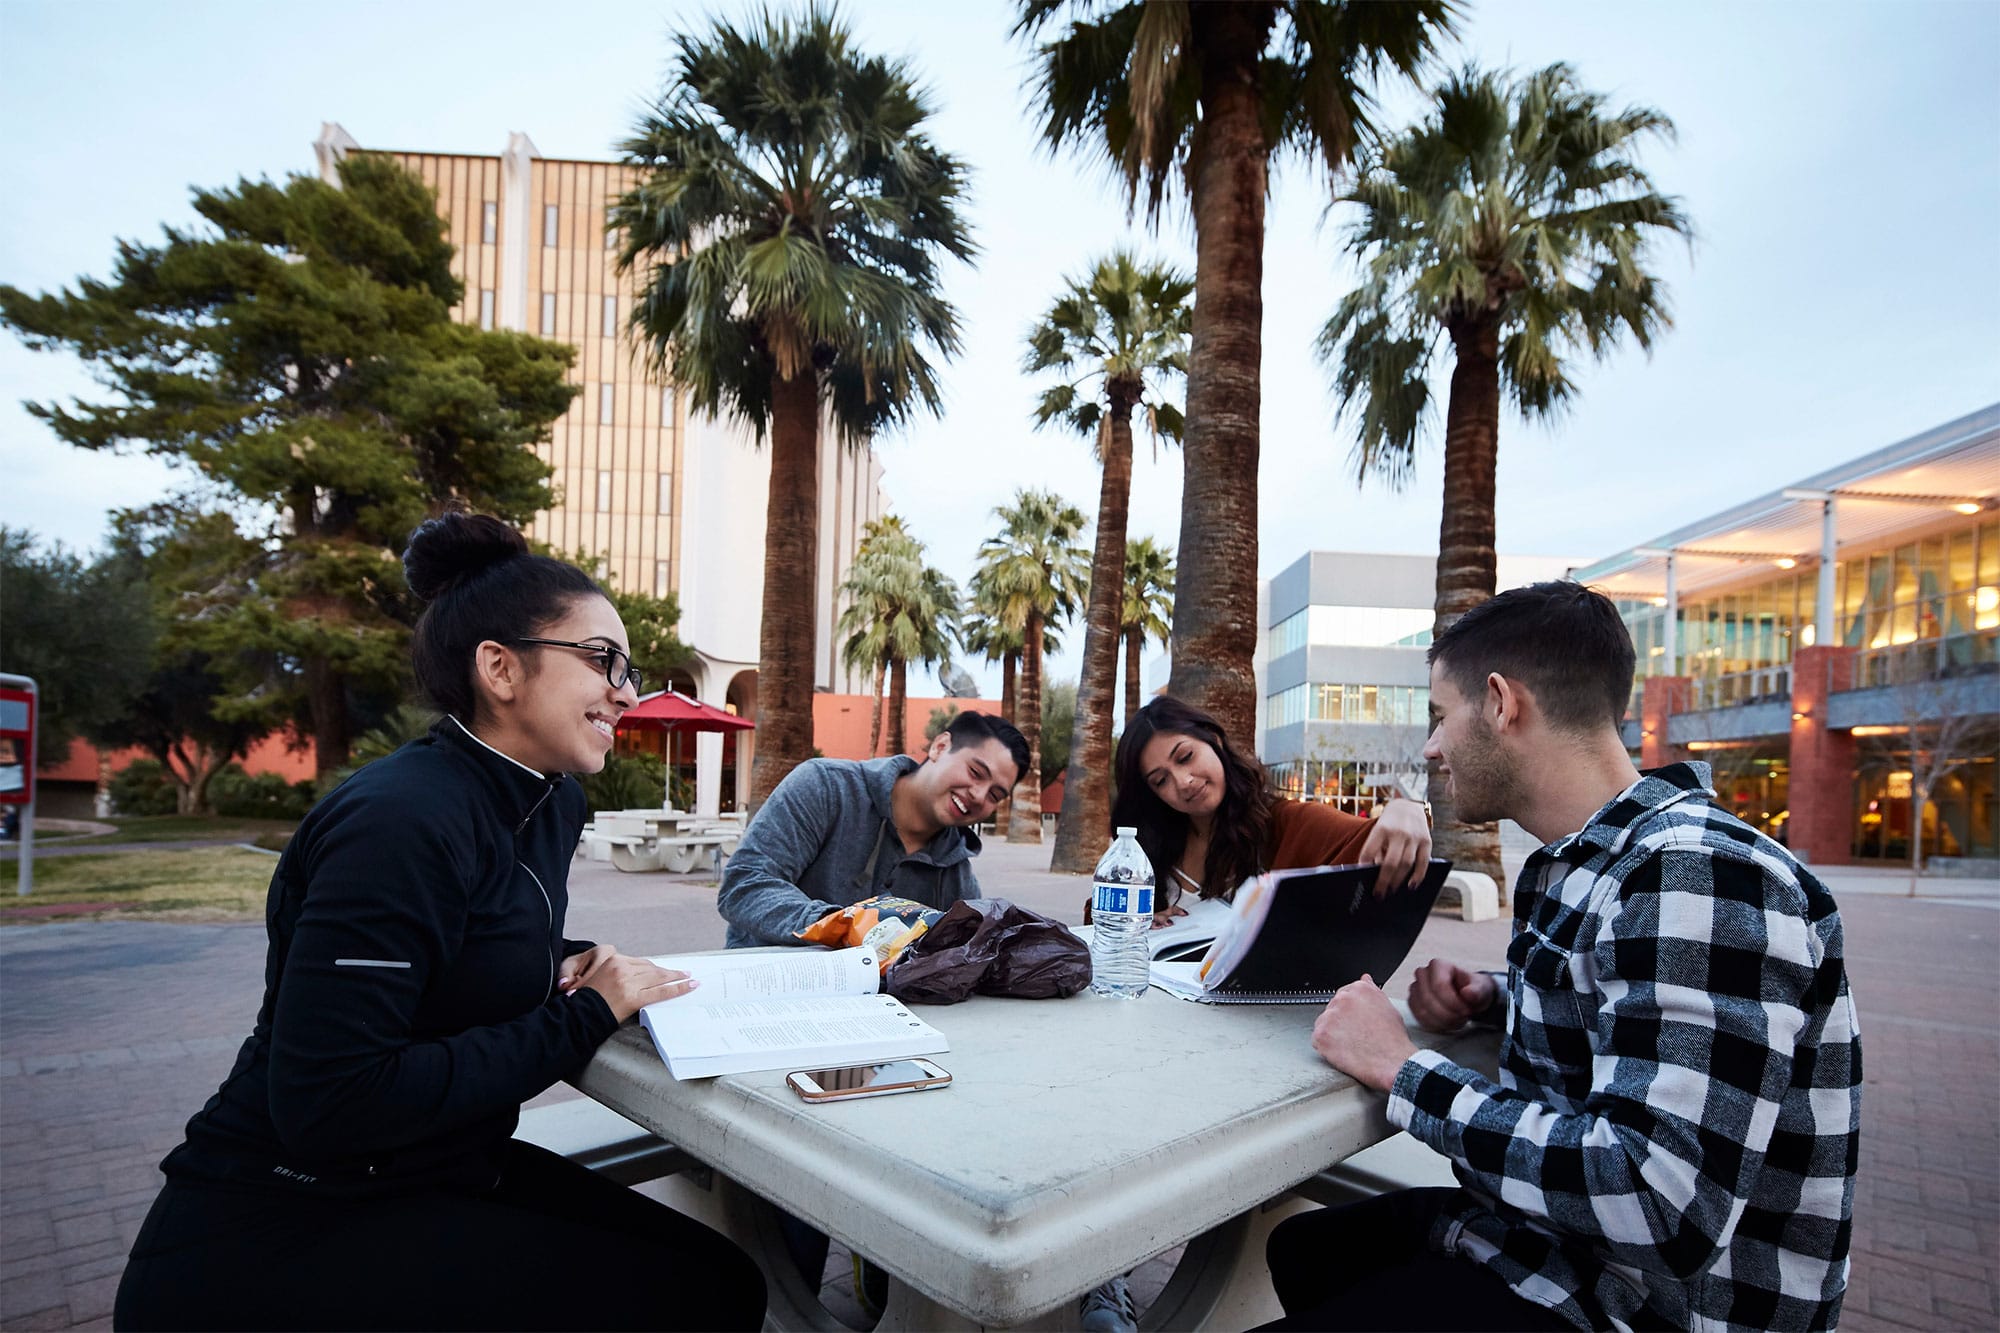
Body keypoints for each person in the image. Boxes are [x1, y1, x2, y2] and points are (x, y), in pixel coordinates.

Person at [114, 512, 766, 1332]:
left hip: (437, 1165)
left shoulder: (552, 800)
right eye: (603, 659)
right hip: (282, 1216)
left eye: (627, 669)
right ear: (500, 667)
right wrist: (586, 1014)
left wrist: (560, 960)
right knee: (690, 1298)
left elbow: (460, 941)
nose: (627, 691)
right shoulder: (399, 819)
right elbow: (332, 1101)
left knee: (723, 1278)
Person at [1268, 581, 1861, 1332]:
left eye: (1440, 715)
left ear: (1501, 702)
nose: (1431, 747)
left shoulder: (1701, 874)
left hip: (1645, 1306)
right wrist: (1495, 996)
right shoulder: (1593, 859)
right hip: (1557, 1248)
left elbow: (1658, 1204)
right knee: (1302, 1249)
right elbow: (1635, 1005)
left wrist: (1402, 1070)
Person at [717, 709, 1030, 948]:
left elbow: (967, 949)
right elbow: (744, 885)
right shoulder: (826, 786)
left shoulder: (955, 872)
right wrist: (842, 925)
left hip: (873, 1006)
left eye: (995, 795)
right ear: (939, 746)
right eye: (975, 772)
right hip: (765, 987)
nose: (978, 795)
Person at [1110, 694, 1435, 917]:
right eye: (1160, 780)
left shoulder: (1287, 822)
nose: (1183, 781)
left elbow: (1371, 840)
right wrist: (1136, 922)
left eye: (1185, 757)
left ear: (1213, 739)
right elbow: (1100, 917)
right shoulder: (1147, 849)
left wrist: (1406, 809)